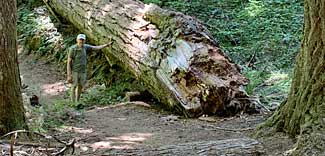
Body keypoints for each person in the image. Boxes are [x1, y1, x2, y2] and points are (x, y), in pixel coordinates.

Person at [67, 34, 110, 102]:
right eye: (80, 39)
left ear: (84, 41)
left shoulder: (85, 47)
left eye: (83, 40)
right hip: (75, 71)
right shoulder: (73, 49)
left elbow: (95, 48)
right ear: (77, 40)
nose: (81, 41)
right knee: (74, 86)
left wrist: (106, 45)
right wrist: (69, 75)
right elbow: (69, 62)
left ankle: (77, 101)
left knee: (80, 86)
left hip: (83, 71)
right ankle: (72, 102)